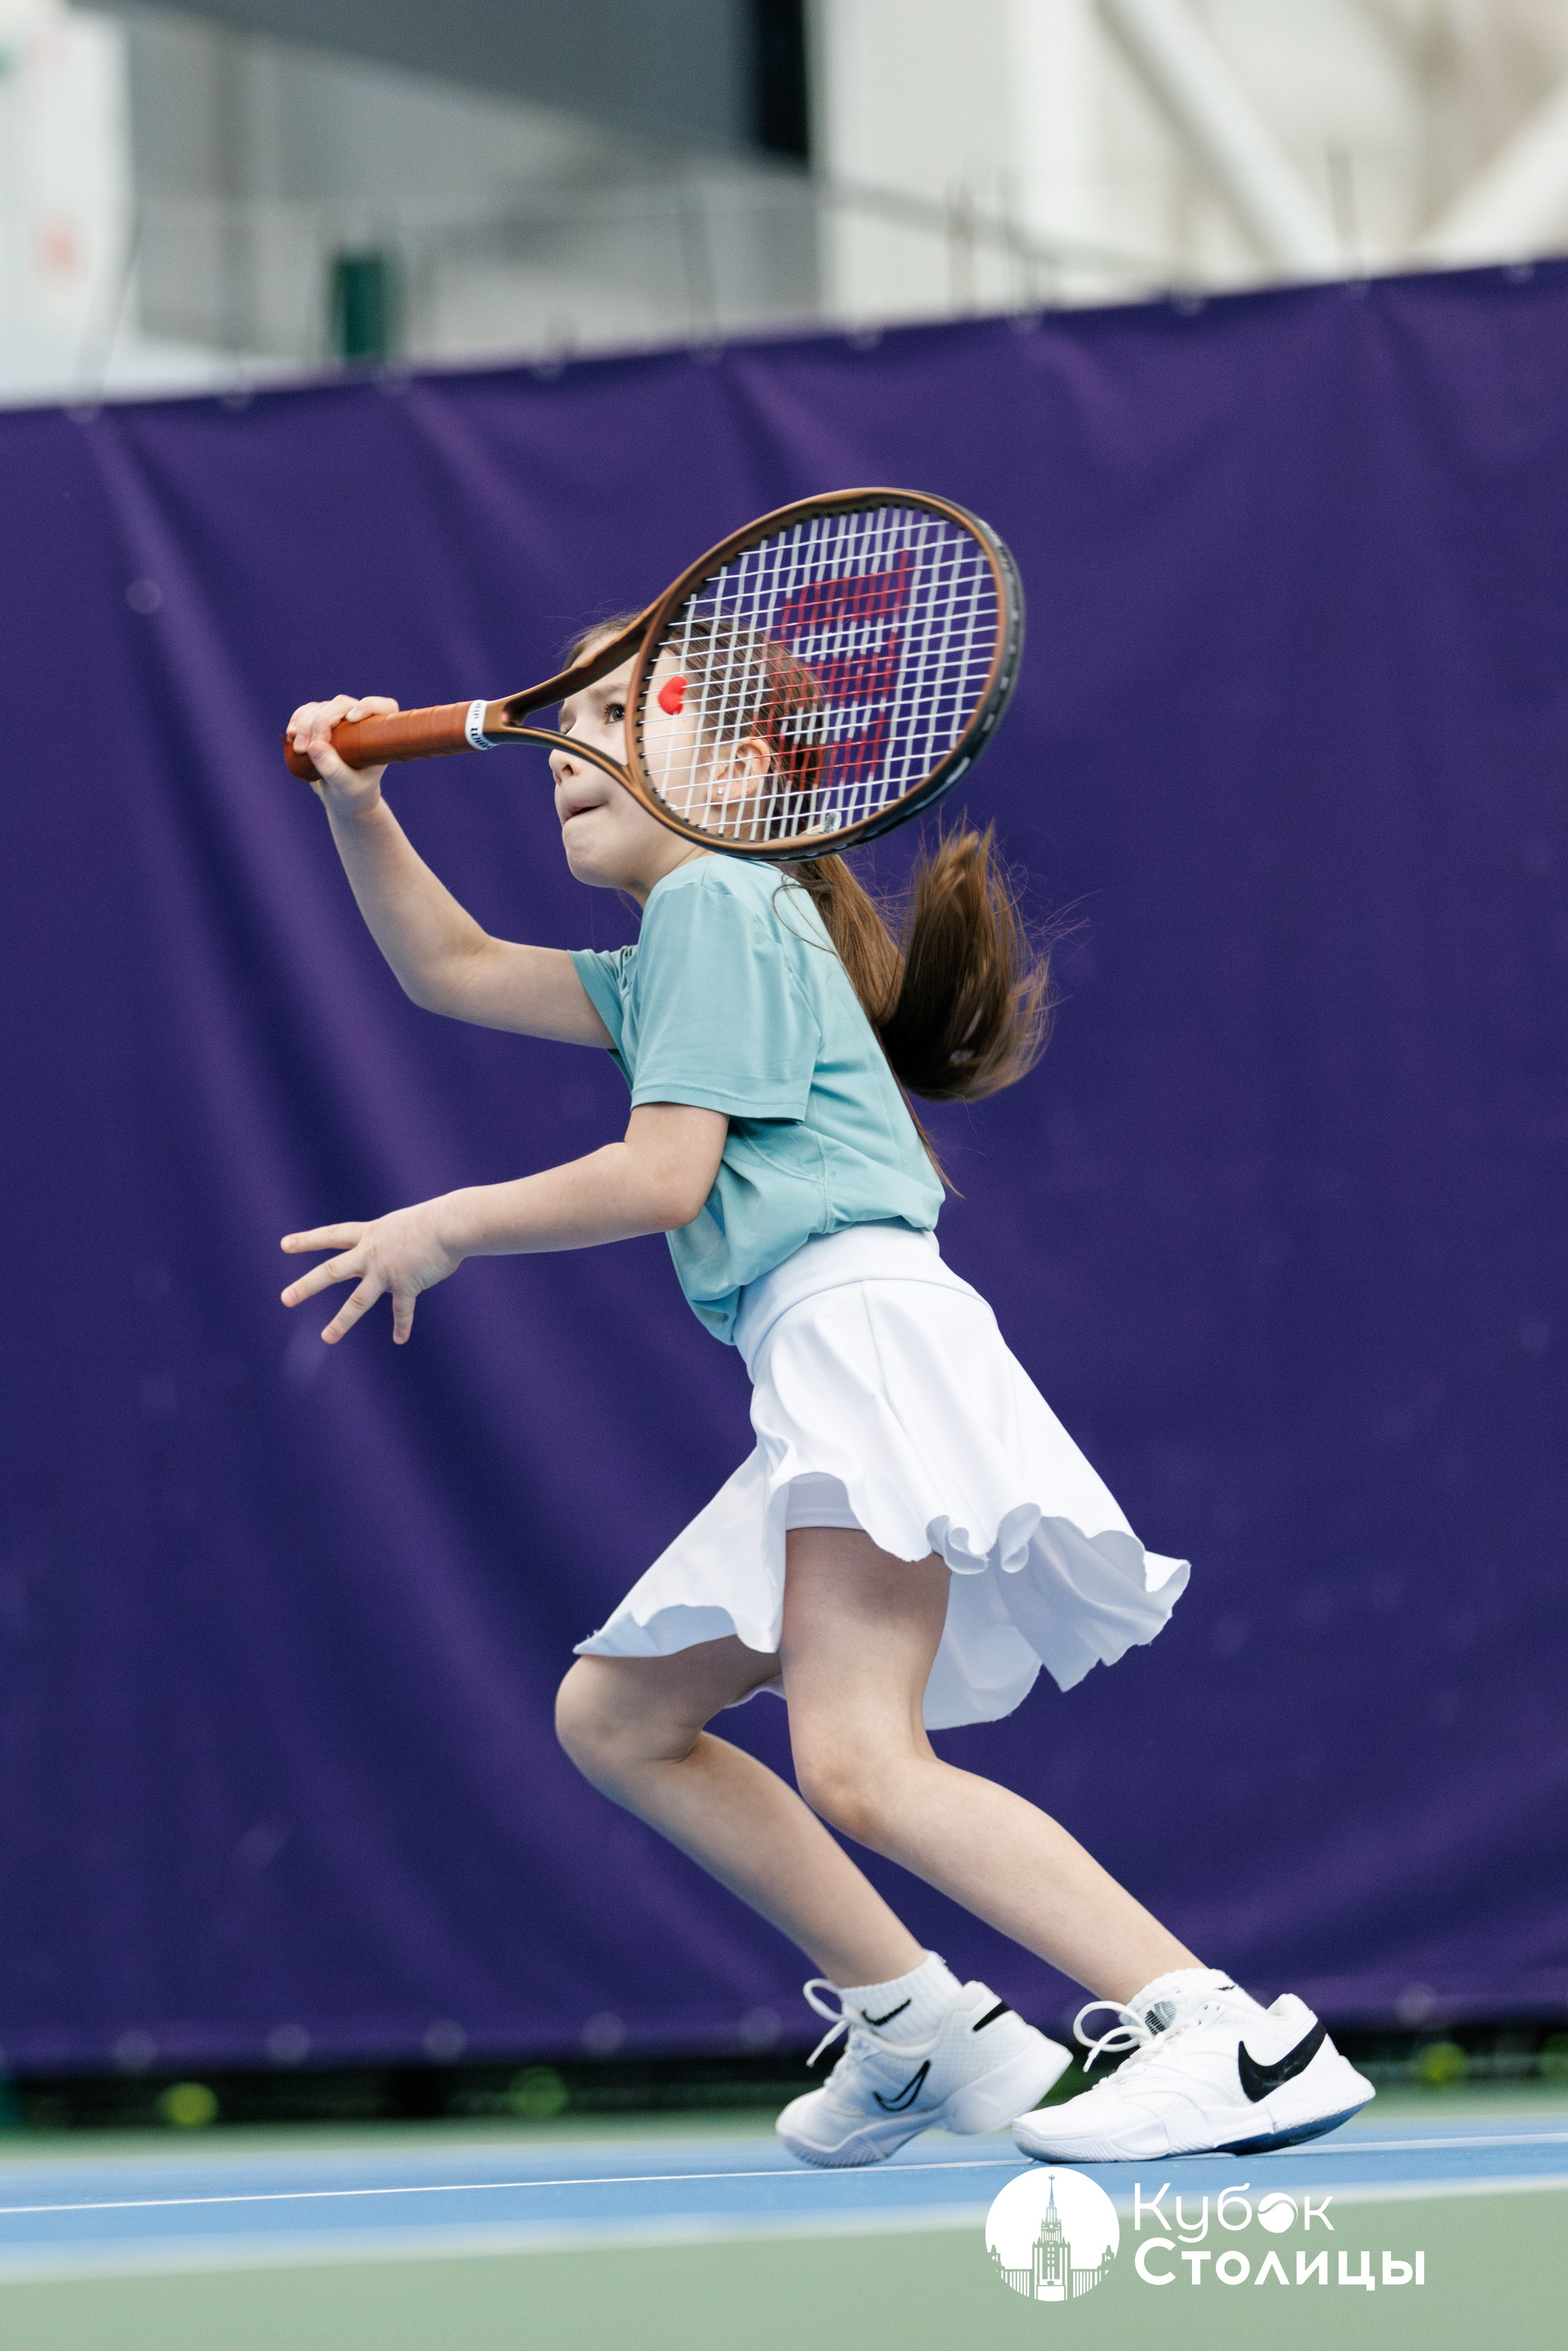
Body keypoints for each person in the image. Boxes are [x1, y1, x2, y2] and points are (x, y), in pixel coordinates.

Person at [280, 628, 1373, 2168]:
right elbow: (450, 971)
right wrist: (357, 803)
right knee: (623, 1712)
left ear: (737, 775)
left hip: (863, 1339)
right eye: (565, 719)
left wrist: (443, 1221)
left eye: (624, 712)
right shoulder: (688, 938)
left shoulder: (723, 896)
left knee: (861, 1762)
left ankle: (1230, 2037)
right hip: (825, 1351)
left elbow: (665, 1175)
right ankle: (922, 2026)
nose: (569, 750)